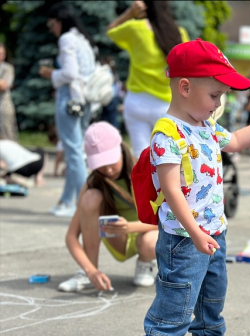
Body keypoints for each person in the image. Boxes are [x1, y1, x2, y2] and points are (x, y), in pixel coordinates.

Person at [140, 39, 250, 336]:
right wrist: (194, 232)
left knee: (213, 291)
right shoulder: (167, 133)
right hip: (184, 237)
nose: (218, 104)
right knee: (178, 294)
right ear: (184, 86)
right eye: (214, 95)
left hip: (214, 231)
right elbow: (171, 189)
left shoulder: (206, 125)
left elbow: (236, 141)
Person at [60, 122, 157, 292]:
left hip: (147, 234)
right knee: (90, 197)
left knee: (149, 243)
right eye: (100, 164)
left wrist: (129, 227)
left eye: (111, 160)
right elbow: (71, 237)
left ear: (121, 150)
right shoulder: (94, 181)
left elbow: (168, 221)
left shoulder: (144, 170)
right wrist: (91, 271)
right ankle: (89, 270)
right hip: (118, 238)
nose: (108, 169)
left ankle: (145, 262)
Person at [107, 0, 189, 158]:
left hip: (136, 103)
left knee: (141, 158)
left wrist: (130, 13)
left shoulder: (135, 29)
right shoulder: (179, 33)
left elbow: (111, 31)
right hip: (167, 106)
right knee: (169, 159)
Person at [40, 4, 96, 218]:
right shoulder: (83, 39)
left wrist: (50, 74)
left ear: (59, 21)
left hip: (69, 100)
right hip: (84, 100)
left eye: (51, 23)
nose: (51, 27)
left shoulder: (66, 39)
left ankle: (85, 204)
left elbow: (70, 73)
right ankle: (67, 201)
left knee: (73, 154)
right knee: (76, 153)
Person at [0, 42, 18, 141]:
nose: (1, 56)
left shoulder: (8, 68)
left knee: (8, 136)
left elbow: (4, 85)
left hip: (3, 106)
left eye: (3, 53)